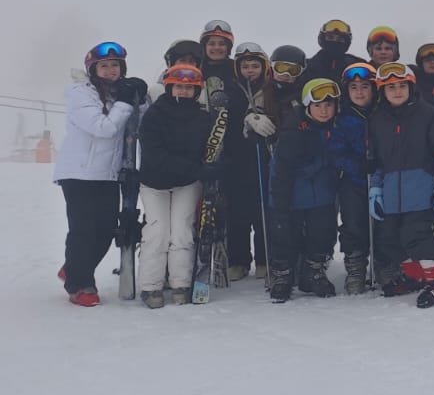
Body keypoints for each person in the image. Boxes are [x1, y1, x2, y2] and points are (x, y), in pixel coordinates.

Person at [55, 43, 143, 305]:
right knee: (83, 230)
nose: (110, 70)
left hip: (108, 175)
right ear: (92, 70)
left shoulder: (119, 94)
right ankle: (80, 285)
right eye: (103, 66)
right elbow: (103, 128)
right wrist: (125, 102)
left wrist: (141, 97)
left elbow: (138, 123)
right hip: (79, 174)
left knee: (106, 231)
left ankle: (73, 267)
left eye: (115, 65)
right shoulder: (81, 94)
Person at [367, 62, 434, 307]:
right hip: (390, 191)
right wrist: (376, 189)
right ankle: (414, 276)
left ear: (411, 87)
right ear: (382, 91)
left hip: (420, 187)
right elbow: (377, 161)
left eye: (402, 86)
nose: (397, 91)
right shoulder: (378, 120)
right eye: (391, 87)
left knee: (417, 235)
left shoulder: (427, 114)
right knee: (390, 237)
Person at [134, 63, 213, 307]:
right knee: (157, 232)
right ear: (169, 88)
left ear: (197, 91)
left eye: (189, 88)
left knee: (182, 231)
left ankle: (181, 283)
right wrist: (197, 170)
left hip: (186, 184)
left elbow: (211, 149)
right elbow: (155, 154)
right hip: (154, 183)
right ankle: (150, 286)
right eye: (179, 87)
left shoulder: (203, 118)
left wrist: (215, 167)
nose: (183, 91)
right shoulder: (154, 115)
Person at [266, 79, 342, 302]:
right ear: (308, 106)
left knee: (323, 232)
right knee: (285, 235)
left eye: (329, 105)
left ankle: (313, 271)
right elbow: (281, 170)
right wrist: (279, 203)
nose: (324, 111)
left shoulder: (336, 129)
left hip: (323, 195)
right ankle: (282, 275)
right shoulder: (294, 131)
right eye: (318, 106)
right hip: (293, 194)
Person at [224, 41, 274, 279]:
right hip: (236, 158)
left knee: (262, 209)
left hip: (263, 157)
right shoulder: (231, 90)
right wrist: (244, 121)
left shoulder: (270, 89)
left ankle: (264, 258)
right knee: (237, 212)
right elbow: (224, 122)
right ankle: (239, 260)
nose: (250, 71)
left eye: (255, 66)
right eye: (245, 67)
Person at [330, 60, 378, 293]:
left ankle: (384, 264)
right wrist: (357, 167)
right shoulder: (342, 118)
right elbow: (336, 151)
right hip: (353, 181)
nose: (359, 92)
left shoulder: (383, 113)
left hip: (380, 179)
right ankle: (356, 267)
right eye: (354, 88)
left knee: (383, 223)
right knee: (353, 224)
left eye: (365, 87)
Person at [304, 19, 354, 85]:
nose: (335, 42)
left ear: (346, 42)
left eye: (340, 39)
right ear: (322, 39)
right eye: (330, 37)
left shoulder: (355, 66)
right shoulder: (306, 67)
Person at [199, 20, 235, 91]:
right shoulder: (197, 69)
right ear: (204, 47)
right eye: (211, 44)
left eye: (222, 44)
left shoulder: (237, 69)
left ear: (228, 47)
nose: (217, 47)